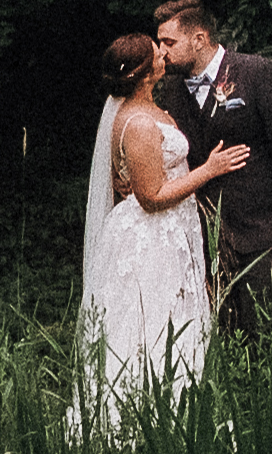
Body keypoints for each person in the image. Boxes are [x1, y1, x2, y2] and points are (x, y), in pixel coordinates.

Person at [77, 29, 239, 430]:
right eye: (156, 52)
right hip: (151, 237)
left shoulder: (148, 111)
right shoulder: (139, 123)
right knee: (149, 325)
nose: (163, 54)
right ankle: (139, 423)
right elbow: (150, 196)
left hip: (169, 232)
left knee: (174, 319)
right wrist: (208, 171)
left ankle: (179, 417)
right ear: (145, 72)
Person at [150, 0, 272, 331]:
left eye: (170, 42)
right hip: (206, 230)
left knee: (270, 327)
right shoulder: (172, 89)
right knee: (223, 330)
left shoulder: (256, 73)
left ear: (199, 39)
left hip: (262, 225)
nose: (162, 51)